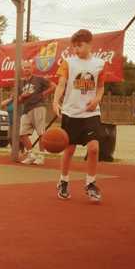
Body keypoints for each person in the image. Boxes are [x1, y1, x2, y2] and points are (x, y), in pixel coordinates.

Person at [53, 29, 105, 202]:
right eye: (74, 46)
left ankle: (90, 183)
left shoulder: (100, 64)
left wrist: (97, 100)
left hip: (91, 113)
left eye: (80, 45)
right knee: (69, 150)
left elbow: (100, 87)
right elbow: (61, 84)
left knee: (94, 148)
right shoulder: (68, 63)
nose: (76, 49)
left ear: (90, 44)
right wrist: (55, 101)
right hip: (71, 112)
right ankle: (64, 181)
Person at [17, 60, 56, 165]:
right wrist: (22, 96)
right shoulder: (20, 83)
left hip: (38, 107)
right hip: (26, 109)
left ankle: (41, 156)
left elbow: (53, 86)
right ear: (22, 69)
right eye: (24, 67)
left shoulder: (39, 79)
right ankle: (31, 155)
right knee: (22, 133)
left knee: (40, 133)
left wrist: (44, 93)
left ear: (32, 68)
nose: (26, 69)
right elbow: (17, 100)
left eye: (28, 67)